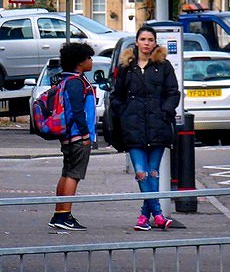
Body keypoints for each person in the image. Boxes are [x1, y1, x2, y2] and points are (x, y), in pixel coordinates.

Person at [109, 25, 180, 231]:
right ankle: (157, 214)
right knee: (141, 172)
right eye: (143, 39)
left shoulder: (163, 66)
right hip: (133, 127)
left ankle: (144, 216)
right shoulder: (126, 67)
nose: (147, 43)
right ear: (137, 42)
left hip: (158, 125)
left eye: (150, 39)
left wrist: (165, 112)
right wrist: (124, 114)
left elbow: (173, 93)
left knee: (153, 172)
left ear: (155, 42)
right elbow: (116, 96)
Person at [48, 42, 96, 232]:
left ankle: (59, 213)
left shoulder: (66, 79)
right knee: (74, 175)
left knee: (67, 173)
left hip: (68, 135)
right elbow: (77, 110)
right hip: (77, 136)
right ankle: (63, 216)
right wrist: (85, 134)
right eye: (89, 58)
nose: (91, 61)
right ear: (80, 62)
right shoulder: (76, 82)